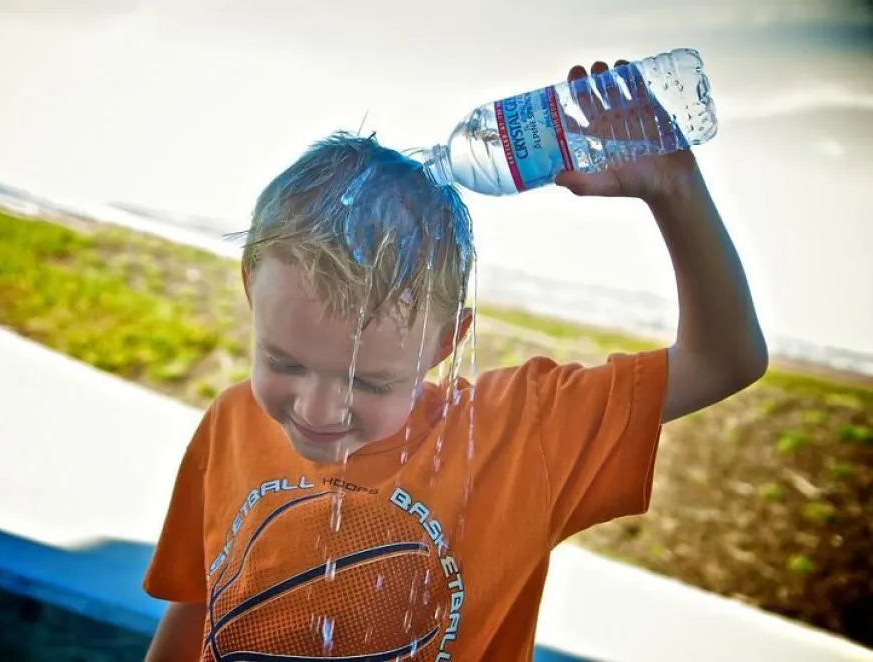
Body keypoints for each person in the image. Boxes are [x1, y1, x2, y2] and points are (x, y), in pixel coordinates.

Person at [141, 60, 769, 662]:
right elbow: (197, 608)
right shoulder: (230, 422)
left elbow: (725, 360)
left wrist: (675, 192)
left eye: (370, 380)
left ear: (446, 342)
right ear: (252, 294)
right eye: (285, 362)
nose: (318, 410)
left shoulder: (521, 437)